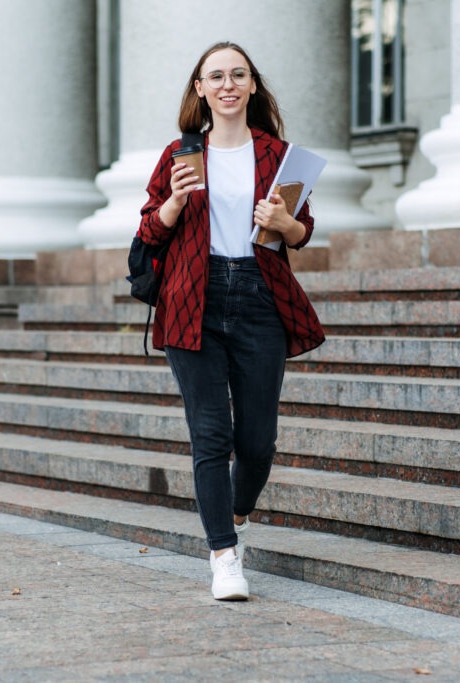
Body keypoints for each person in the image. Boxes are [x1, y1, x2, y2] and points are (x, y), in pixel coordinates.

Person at [136, 41, 325, 600]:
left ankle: (236, 511)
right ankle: (224, 555)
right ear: (200, 89)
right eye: (215, 76)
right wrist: (172, 203)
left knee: (258, 442)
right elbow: (149, 232)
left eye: (237, 75)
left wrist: (284, 221)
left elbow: (302, 233)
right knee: (211, 436)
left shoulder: (279, 156)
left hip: (258, 296)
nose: (227, 84)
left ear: (252, 86)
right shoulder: (181, 154)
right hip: (193, 296)